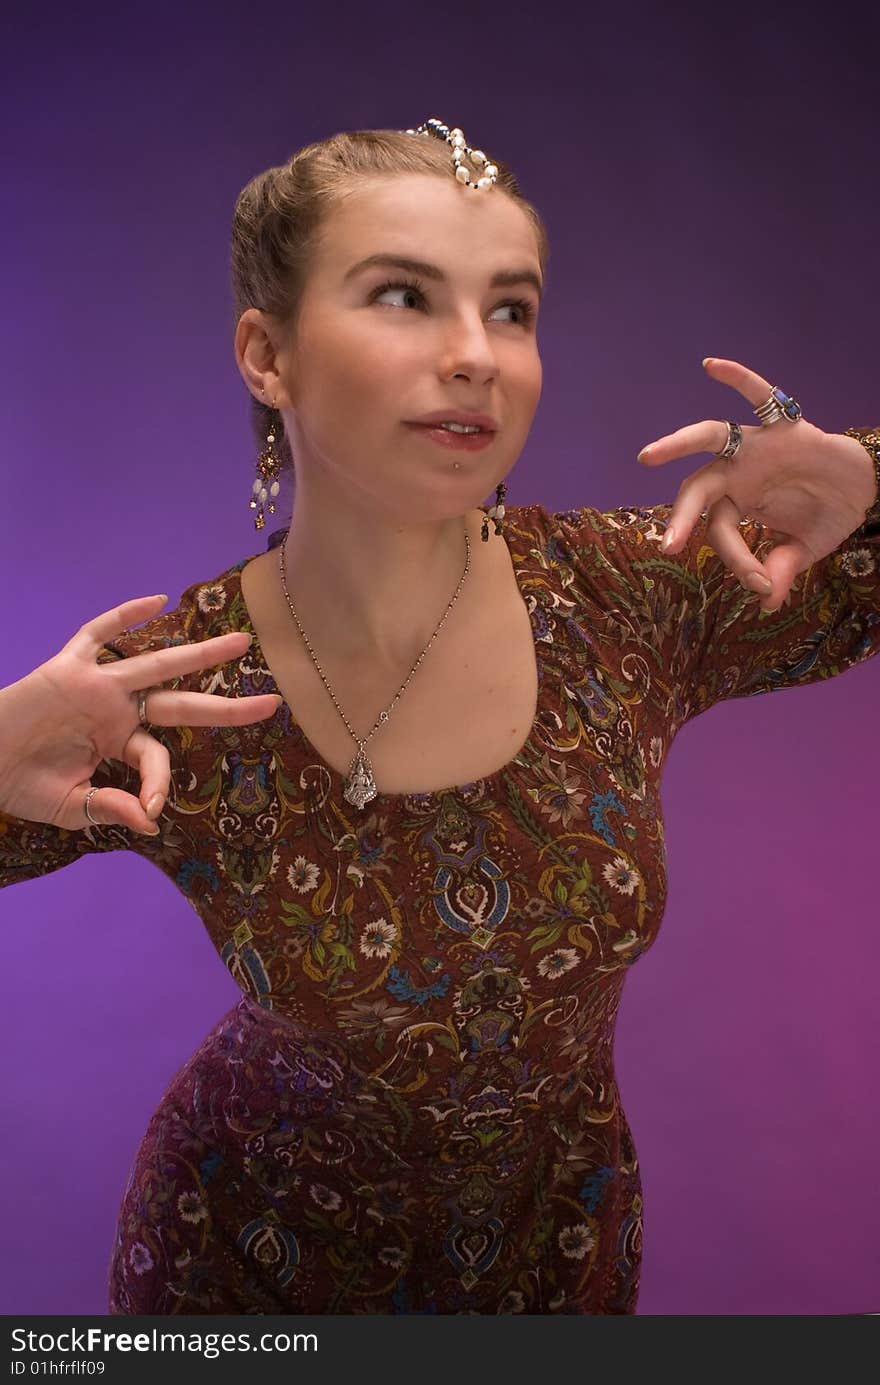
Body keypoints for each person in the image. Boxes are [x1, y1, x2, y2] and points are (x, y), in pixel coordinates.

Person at [1, 118, 878, 1316]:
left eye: (510, 308)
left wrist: (870, 483)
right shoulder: (167, 688)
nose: (476, 355)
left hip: (553, 1254)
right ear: (268, 353)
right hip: (245, 1268)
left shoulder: (633, 590)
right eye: (405, 296)